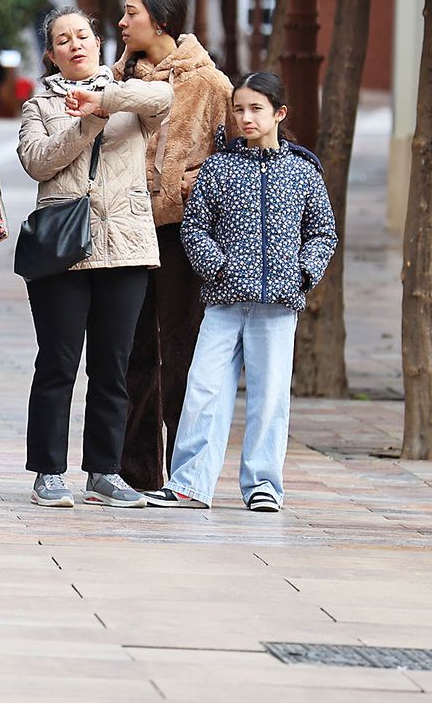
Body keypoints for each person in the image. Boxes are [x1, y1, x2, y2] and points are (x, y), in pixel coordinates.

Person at [144, 73, 337, 511]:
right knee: (204, 391)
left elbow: (323, 232)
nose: (246, 118)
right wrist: (217, 266)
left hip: (278, 306)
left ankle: (264, 484)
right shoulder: (220, 168)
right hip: (224, 302)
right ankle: (191, 483)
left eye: (256, 109)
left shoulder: (303, 172)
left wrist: (302, 273)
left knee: (270, 398)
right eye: (239, 109)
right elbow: (195, 227)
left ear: (278, 114)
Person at [20, 8, 172, 508]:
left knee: (113, 367)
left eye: (83, 35)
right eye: (63, 40)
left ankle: (104, 472)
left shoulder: (131, 92)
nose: (75, 45)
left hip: (124, 246)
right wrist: (86, 124)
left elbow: (164, 100)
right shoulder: (39, 104)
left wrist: (104, 99)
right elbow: (36, 161)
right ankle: (48, 471)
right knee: (58, 364)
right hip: (62, 249)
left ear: (99, 42)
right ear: (51, 54)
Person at [113, 0, 234, 492]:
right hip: (125, 230)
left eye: (131, 13)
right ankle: (136, 474)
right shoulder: (117, 80)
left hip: (184, 234)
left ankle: (187, 475)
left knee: (181, 352)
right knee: (131, 352)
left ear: (161, 20)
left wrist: (192, 180)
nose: (121, 23)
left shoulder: (210, 84)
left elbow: (236, 156)